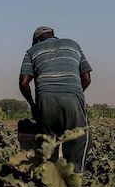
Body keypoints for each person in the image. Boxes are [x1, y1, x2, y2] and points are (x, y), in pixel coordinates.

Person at [19, 26, 92, 173]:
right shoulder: (73, 45)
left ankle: (49, 183)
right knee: (80, 140)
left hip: (45, 100)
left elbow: (23, 83)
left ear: (37, 40)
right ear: (53, 35)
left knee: (48, 144)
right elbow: (87, 78)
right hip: (72, 98)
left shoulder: (32, 51)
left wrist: (33, 105)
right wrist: (75, 94)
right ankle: (74, 180)